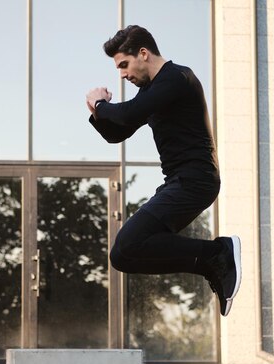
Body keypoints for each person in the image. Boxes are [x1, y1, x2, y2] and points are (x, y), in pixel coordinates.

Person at [86, 25, 241, 316]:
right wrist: (98, 112)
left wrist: (100, 103)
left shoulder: (178, 78)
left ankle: (218, 253)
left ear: (143, 53)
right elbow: (116, 133)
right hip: (178, 182)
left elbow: (128, 113)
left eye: (124, 65)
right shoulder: (152, 91)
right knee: (123, 255)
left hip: (196, 180)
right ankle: (211, 261)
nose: (122, 74)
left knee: (129, 242)